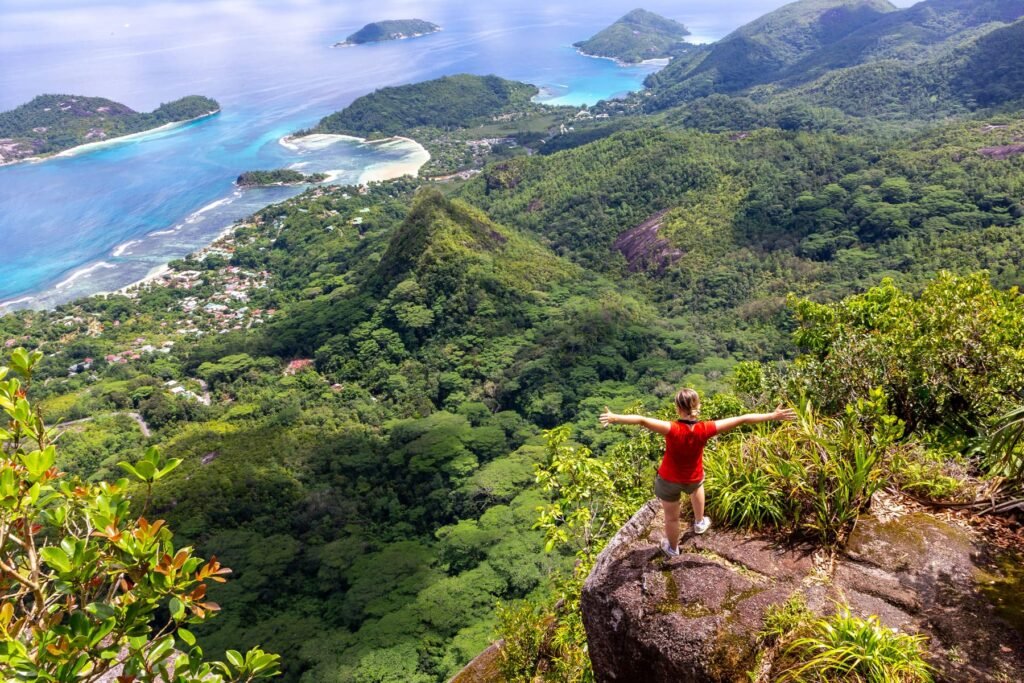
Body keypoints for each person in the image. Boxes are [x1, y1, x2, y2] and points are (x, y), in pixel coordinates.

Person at [600, 389, 795, 557]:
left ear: (678, 408)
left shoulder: (672, 428)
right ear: (697, 406)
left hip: (668, 479)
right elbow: (742, 419)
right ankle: (700, 522)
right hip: (693, 477)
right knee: (698, 486)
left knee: (671, 518)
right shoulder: (706, 428)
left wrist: (615, 417)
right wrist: (772, 415)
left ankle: (673, 548)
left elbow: (641, 420)